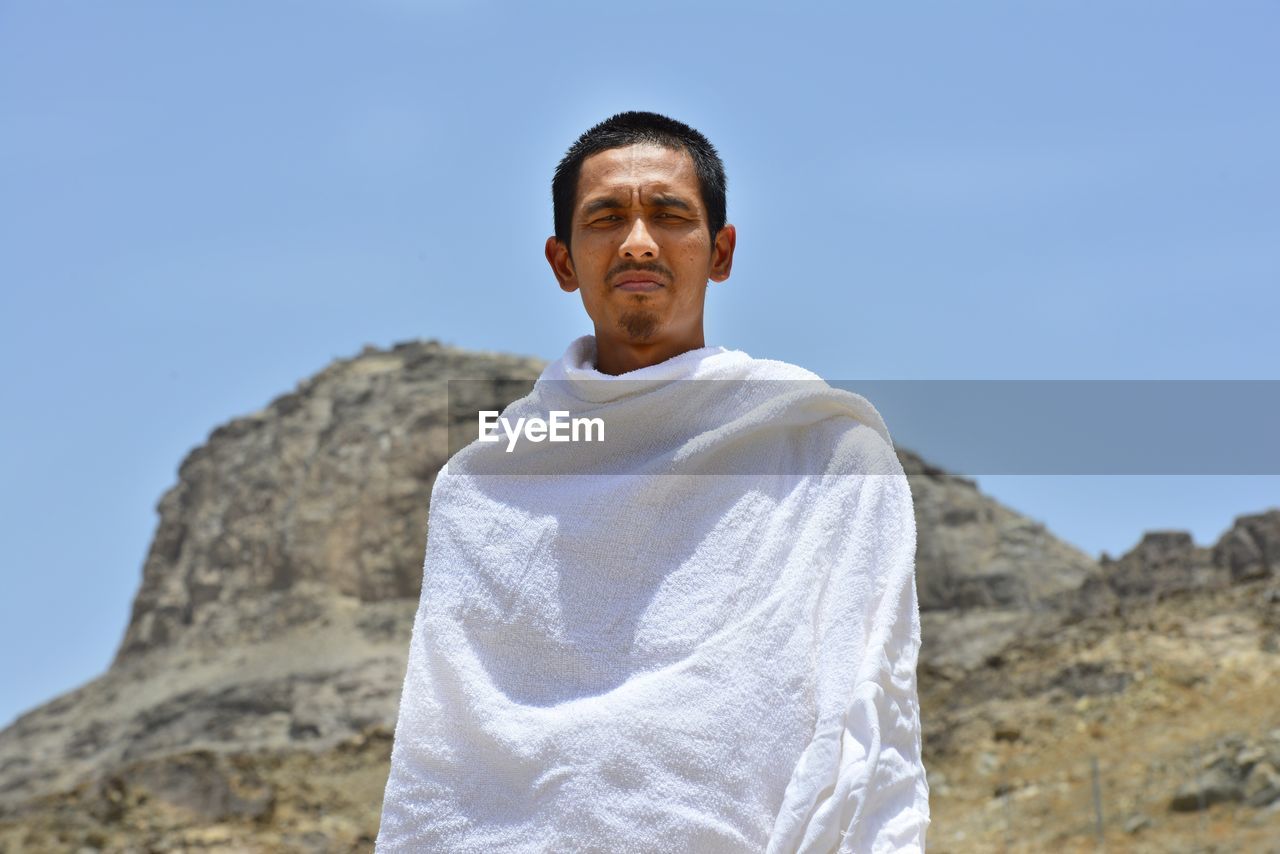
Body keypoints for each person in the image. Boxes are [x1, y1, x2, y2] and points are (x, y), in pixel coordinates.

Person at [376, 111, 930, 852]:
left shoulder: (822, 448)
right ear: (563, 261)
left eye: (669, 215)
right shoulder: (488, 484)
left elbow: (869, 719)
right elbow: (447, 772)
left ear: (721, 251)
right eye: (606, 218)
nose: (638, 241)